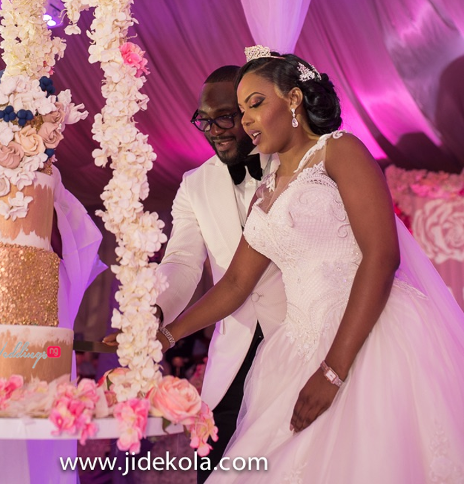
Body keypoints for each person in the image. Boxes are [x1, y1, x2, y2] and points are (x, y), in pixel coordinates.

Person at [157, 46, 464, 483]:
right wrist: (166, 334)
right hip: (296, 351)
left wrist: (334, 371)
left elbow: (381, 256)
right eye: (241, 109)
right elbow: (235, 284)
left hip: (372, 339)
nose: (244, 120)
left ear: (294, 100)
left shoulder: (339, 151)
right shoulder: (267, 191)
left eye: (255, 103)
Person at [154, 65, 286, 479]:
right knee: (214, 469)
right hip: (234, 351)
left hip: (300, 341)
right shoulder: (194, 185)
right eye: (204, 120)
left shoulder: (297, 164)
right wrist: (156, 312)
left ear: (251, 112)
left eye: (225, 116)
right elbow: (181, 261)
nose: (214, 130)